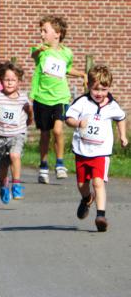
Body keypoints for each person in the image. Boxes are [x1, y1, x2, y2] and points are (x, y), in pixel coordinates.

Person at [65, 65, 128, 232]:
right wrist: (78, 123)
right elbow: (68, 118)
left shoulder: (112, 106)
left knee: (98, 182)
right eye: (95, 89)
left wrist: (123, 136)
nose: (99, 93)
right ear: (89, 86)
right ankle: (87, 199)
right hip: (82, 150)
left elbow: (121, 118)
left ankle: (101, 215)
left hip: (101, 152)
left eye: (103, 89)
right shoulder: (83, 102)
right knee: (81, 184)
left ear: (108, 88)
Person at [30, 14, 87, 184]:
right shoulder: (40, 51)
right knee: (45, 134)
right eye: (41, 31)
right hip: (42, 98)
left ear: (57, 33)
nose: (41, 34)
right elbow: (33, 56)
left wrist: (82, 74)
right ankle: (44, 165)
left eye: (44, 31)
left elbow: (67, 69)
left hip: (60, 98)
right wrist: (39, 50)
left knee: (58, 130)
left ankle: (60, 164)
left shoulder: (67, 53)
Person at [0, 61, 33, 204]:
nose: (10, 83)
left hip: (17, 134)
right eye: (6, 80)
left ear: (18, 81)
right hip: (0, 135)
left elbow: (29, 111)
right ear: (1, 80)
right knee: (3, 165)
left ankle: (16, 184)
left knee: (14, 155)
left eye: (13, 80)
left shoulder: (23, 98)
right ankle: (4, 184)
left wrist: (30, 118)